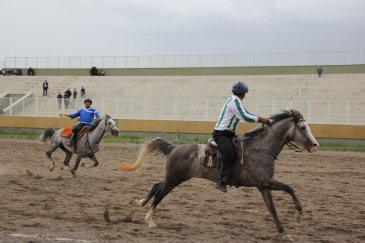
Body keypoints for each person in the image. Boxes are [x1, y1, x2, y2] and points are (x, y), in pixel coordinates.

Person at [212, 81, 271, 193]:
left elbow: (246, 113)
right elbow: (244, 116)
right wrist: (262, 120)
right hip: (221, 134)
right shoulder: (235, 101)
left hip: (229, 134)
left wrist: (260, 119)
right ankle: (221, 181)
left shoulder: (235, 100)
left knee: (240, 151)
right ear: (243, 94)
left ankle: (232, 176)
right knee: (229, 154)